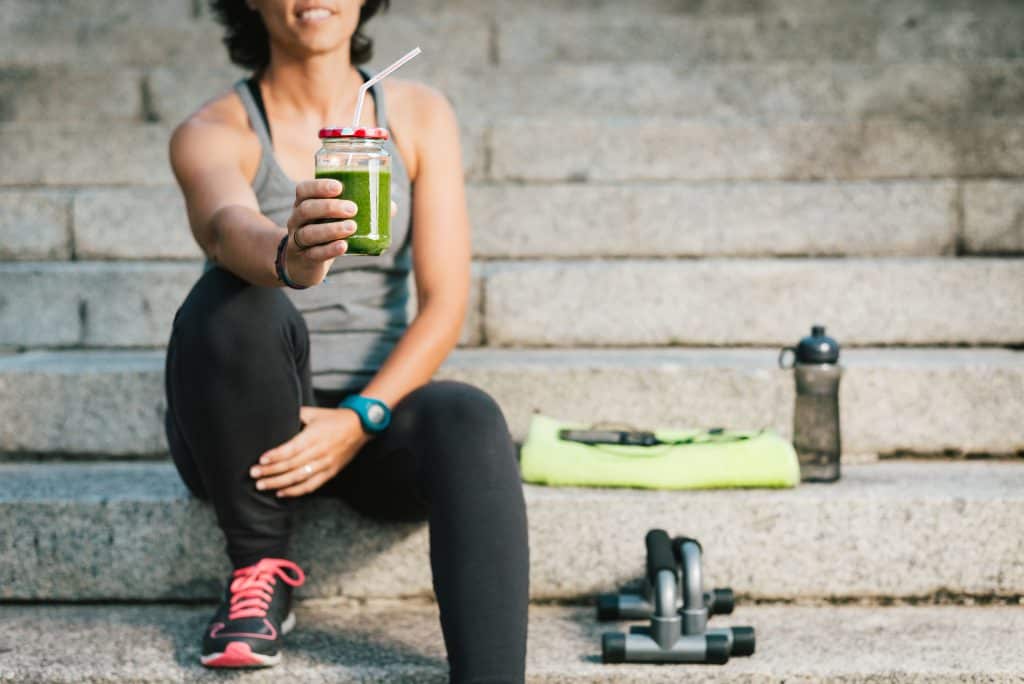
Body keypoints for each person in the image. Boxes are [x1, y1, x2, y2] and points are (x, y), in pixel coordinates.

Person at [162, 1, 529, 681]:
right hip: (244, 434)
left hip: (377, 422)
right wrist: (291, 257)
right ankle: (258, 566)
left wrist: (361, 417)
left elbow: (445, 302)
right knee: (229, 298)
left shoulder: (418, 115)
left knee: (469, 415)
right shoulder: (212, 130)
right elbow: (224, 228)